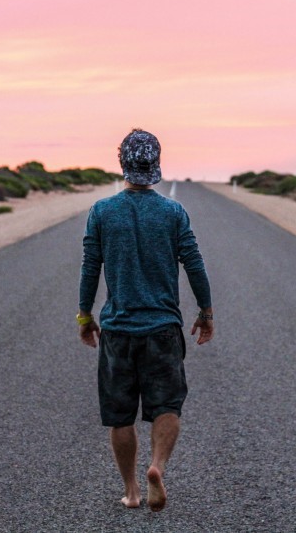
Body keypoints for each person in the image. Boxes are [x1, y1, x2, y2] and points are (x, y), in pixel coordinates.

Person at [77, 128, 214, 512]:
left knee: (120, 415)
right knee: (167, 405)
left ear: (122, 162)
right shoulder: (173, 212)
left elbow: (91, 266)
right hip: (162, 329)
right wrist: (205, 311)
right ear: (156, 164)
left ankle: (133, 491)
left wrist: (85, 314)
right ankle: (158, 466)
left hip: (118, 330)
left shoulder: (102, 211)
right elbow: (194, 263)